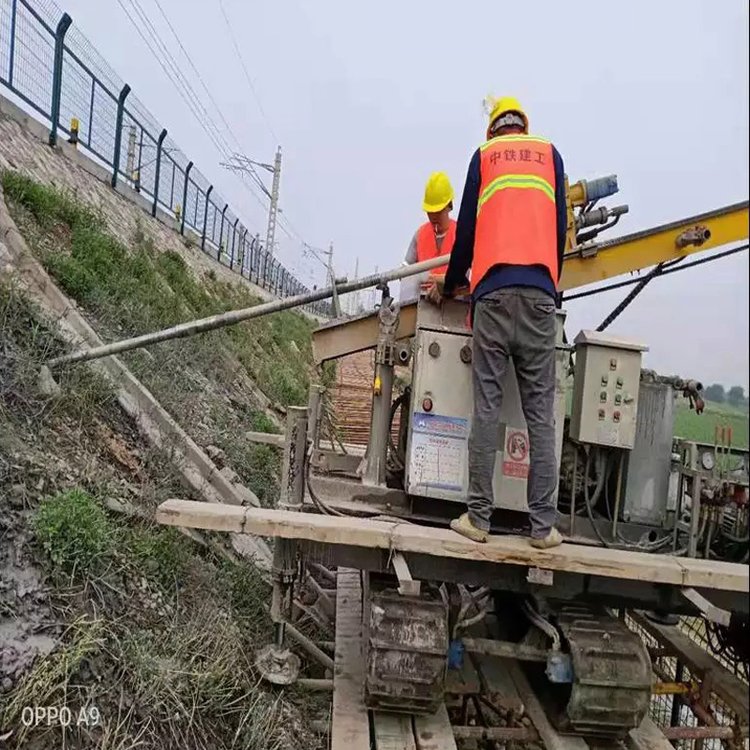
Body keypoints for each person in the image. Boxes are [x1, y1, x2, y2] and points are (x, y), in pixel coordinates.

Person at [436, 96, 567, 549]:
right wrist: (551, 286)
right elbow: (559, 228)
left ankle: (478, 519)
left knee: (487, 407)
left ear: (493, 129)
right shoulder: (550, 155)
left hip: (491, 296)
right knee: (541, 417)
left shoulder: (485, 157)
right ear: (523, 125)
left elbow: (467, 231)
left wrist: (453, 283)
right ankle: (543, 528)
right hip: (540, 297)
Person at [399, 172, 457, 302]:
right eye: (430, 212)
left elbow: (470, 276)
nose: (434, 216)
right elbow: (404, 273)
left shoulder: (462, 235)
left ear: (449, 206)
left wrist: (443, 283)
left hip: (455, 308)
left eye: (438, 211)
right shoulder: (420, 235)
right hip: (421, 306)